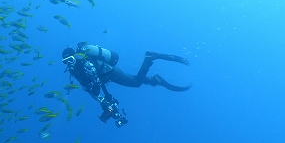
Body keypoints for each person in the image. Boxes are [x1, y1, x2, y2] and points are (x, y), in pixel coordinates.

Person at [62, 42, 191, 127]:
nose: (69, 63)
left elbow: (94, 77)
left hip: (110, 73)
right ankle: (153, 80)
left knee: (135, 83)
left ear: (74, 56)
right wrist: (100, 99)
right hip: (107, 77)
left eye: (70, 59)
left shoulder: (82, 61)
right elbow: (87, 86)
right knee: (132, 79)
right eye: (65, 61)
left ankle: (149, 58)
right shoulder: (74, 71)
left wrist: (98, 91)